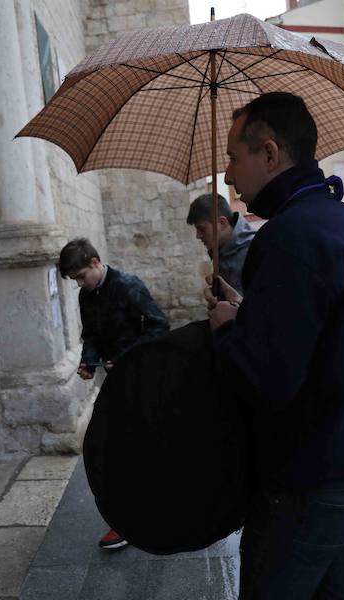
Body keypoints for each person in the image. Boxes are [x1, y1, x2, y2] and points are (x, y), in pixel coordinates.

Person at [205, 92, 344, 599]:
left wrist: (225, 330)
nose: (226, 175)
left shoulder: (288, 237)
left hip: (309, 483)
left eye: (233, 157)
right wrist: (249, 313)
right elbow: (329, 334)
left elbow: (266, 381)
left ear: (269, 154)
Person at [58, 238, 170, 550]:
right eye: (75, 280)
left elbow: (160, 328)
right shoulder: (87, 295)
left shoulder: (128, 286)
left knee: (139, 446)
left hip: (143, 378)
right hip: (116, 380)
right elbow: (91, 335)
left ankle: (146, 514)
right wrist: (87, 363)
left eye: (81, 276)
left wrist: (126, 356)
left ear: (95, 262)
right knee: (117, 448)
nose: (80, 283)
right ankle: (130, 516)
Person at [187, 192, 256, 295]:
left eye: (202, 229)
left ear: (222, 223)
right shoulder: (220, 250)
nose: (198, 236)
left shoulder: (254, 250)